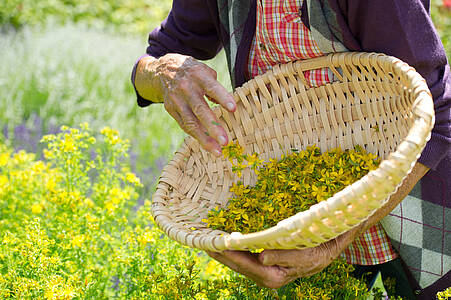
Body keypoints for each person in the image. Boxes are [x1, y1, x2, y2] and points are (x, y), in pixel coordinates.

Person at [131, 1, 451, 298]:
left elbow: (439, 115)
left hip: (411, 211)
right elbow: (156, 58)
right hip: (295, 228)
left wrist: (334, 241)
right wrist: (161, 74)